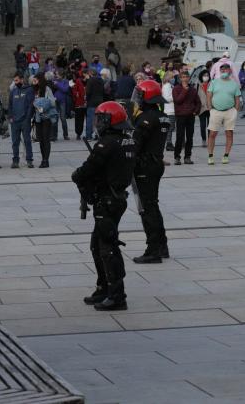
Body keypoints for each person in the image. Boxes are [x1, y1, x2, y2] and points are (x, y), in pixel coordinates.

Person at [73, 101, 136, 311]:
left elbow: (88, 169)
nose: (98, 123)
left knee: (108, 248)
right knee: (97, 245)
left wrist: (78, 177)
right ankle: (104, 287)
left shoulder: (106, 143)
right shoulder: (127, 141)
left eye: (101, 119)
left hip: (107, 200)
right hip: (117, 198)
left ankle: (117, 295)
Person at [131, 80, 171, 264]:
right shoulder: (162, 116)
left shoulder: (145, 119)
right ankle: (162, 246)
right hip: (156, 164)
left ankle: (153, 249)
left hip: (144, 166)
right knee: (153, 205)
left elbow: (136, 146)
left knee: (147, 208)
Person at [207, 63, 241, 165]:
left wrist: (236, 110)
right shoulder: (214, 82)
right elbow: (209, 95)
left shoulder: (234, 84)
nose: (224, 72)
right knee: (212, 134)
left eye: (226, 70)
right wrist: (210, 108)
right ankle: (210, 156)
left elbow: (237, 98)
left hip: (230, 111)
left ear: (229, 71)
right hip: (216, 110)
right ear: (219, 71)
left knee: (229, 133)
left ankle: (226, 155)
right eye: (222, 70)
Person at [172, 70, 201, 165]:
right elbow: (178, 100)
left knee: (190, 137)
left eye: (186, 77)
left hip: (190, 116)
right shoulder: (176, 89)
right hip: (180, 116)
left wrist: (195, 111)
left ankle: (187, 156)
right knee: (179, 137)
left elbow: (198, 102)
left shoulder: (193, 89)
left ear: (189, 78)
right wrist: (184, 90)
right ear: (180, 79)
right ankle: (177, 157)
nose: (185, 79)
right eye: (183, 77)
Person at [8, 72, 35, 168]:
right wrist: (10, 117)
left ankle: (29, 160)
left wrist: (27, 118)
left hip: (24, 120)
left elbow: (30, 105)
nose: (15, 82)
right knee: (15, 142)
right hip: (15, 121)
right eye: (14, 80)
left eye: (17, 80)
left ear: (22, 79)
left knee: (27, 140)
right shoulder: (13, 91)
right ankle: (15, 161)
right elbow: (10, 105)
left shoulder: (29, 90)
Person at [31, 73, 57, 168]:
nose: (33, 83)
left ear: (40, 80)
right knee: (40, 139)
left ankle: (46, 160)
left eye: (35, 80)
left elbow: (53, 102)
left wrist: (41, 104)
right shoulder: (33, 90)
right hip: (37, 118)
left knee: (46, 139)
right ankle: (43, 158)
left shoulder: (46, 89)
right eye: (33, 81)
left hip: (46, 117)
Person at [85, 68, 105, 140]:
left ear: (90, 73)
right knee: (99, 120)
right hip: (100, 102)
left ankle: (88, 136)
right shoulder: (101, 80)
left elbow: (88, 92)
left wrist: (86, 99)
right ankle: (98, 135)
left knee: (90, 119)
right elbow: (103, 91)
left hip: (92, 102)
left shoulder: (90, 80)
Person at [161, 71, 177, 152]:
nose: (173, 79)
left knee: (171, 127)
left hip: (172, 109)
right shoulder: (167, 86)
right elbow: (166, 98)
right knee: (170, 128)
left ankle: (169, 142)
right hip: (169, 110)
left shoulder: (170, 85)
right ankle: (169, 143)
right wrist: (175, 97)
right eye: (172, 77)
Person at [53, 72, 70, 140]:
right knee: (55, 118)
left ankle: (65, 135)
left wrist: (57, 84)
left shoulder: (65, 81)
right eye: (56, 74)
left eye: (58, 74)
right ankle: (54, 135)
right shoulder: (54, 80)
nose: (56, 75)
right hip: (55, 101)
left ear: (61, 75)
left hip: (62, 101)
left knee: (63, 118)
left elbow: (65, 90)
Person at [196, 69, 211, 147]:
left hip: (210, 107)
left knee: (210, 126)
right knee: (202, 126)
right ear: (201, 76)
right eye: (204, 75)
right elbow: (196, 96)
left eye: (207, 75)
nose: (206, 77)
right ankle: (204, 140)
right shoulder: (198, 85)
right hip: (201, 108)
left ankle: (210, 140)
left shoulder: (212, 84)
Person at [72, 72, 86, 140]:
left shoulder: (78, 81)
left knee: (79, 119)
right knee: (80, 119)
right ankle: (79, 133)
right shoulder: (80, 81)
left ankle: (78, 133)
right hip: (82, 103)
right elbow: (75, 91)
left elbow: (75, 91)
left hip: (80, 104)